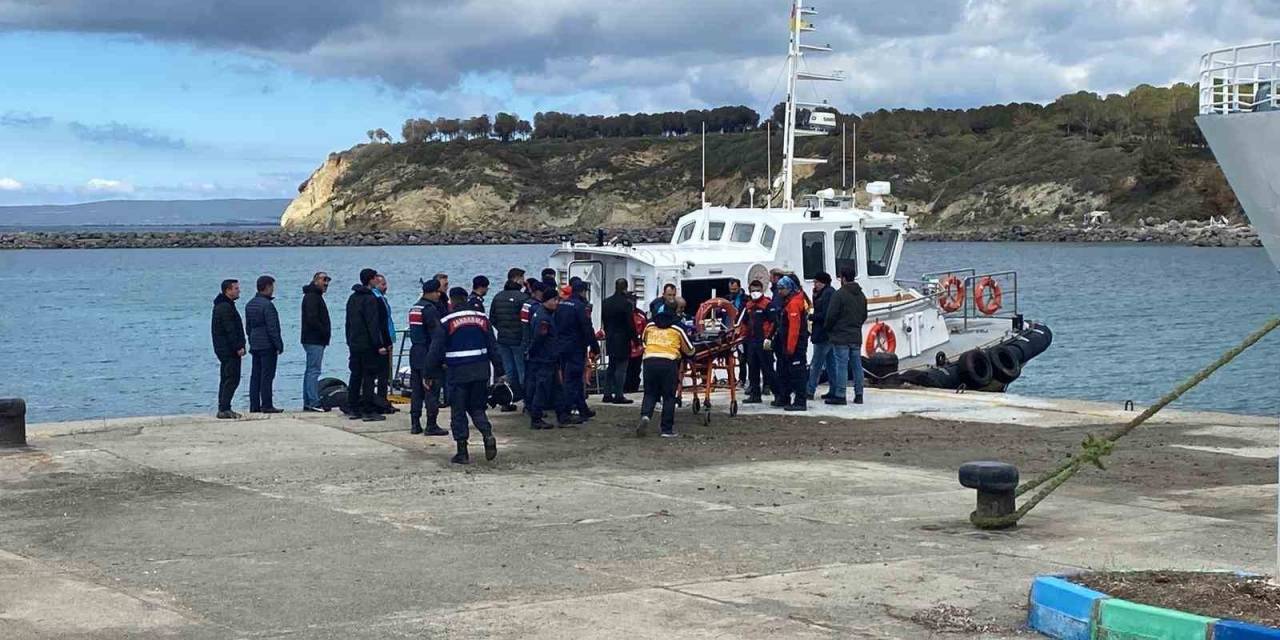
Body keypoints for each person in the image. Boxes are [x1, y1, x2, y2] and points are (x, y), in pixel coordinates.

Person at [426, 287, 505, 464]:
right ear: (466, 299)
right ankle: (487, 434)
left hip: (458, 373)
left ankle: (462, 451)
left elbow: (435, 350)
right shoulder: (482, 319)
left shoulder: (447, 321)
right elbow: (494, 347)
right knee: (477, 408)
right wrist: (500, 371)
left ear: (452, 302)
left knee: (459, 411)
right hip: (481, 372)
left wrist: (428, 373)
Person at [636, 311, 695, 437]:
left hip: (649, 361)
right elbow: (689, 350)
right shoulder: (677, 328)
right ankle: (666, 429)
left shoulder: (650, 326)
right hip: (669, 362)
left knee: (650, 393)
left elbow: (643, 340)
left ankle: (646, 415)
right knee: (668, 396)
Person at [345, 268, 389, 422]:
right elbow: (373, 324)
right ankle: (368, 409)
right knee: (369, 376)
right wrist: (379, 345)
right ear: (370, 280)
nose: (377, 280)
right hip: (368, 344)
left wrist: (349, 340)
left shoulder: (353, 298)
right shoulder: (370, 299)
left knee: (355, 375)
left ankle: (353, 406)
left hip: (355, 342)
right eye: (375, 278)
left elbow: (348, 323)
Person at [554, 279, 600, 425]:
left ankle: (582, 408)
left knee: (573, 379)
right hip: (575, 347)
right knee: (572, 380)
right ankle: (565, 413)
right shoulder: (580, 307)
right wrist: (594, 346)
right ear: (583, 292)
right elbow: (587, 327)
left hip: (562, 347)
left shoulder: (561, 305)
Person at [408, 279, 449, 435]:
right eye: (438, 292)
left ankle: (415, 423)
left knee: (417, 391)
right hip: (428, 353)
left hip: (415, 352)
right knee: (431, 390)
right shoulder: (430, 309)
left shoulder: (414, 308)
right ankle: (431, 425)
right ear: (431, 292)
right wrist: (441, 358)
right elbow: (437, 336)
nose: (440, 295)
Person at [824, 266, 869, 405]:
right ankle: (859, 394)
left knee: (841, 365)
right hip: (856, 335)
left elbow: (831, 316)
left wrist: (828, 329)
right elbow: (864, 315)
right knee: (857, 365)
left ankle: (840, 394)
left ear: (843, 278)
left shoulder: (839, 294)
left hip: (841, 336)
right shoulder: (861, 295)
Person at [489, 271, 529, 412]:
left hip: (503, 339)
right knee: (523, 371)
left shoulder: (498, 297)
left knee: (509, 372)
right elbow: (526, 320)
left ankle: (506, 400)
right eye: (522, 278)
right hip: (518, 340)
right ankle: (528, 402)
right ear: (517, 279)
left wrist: (501, 328)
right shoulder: (523, 298)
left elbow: (492, 318)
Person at [244, 275, 284, 413]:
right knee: (267, 376)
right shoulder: (268, 306)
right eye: (272, 286)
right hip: (267, 345)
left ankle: (254, 405)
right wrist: (279, 345)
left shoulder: (250, 304)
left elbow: (248, 327)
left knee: (255, 376)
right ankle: (267, 404)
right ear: (267, 287)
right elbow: (273, 328)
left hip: (255, 344)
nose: (273, 289)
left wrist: (251, 339)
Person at [525, 290, 561, 430]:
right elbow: (539, 339)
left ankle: (562, 414)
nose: (557, 303)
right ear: (547, 300)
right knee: (542, 388)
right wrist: (533, 353)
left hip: (548, 357)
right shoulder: (544, 318)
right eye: (554, 300)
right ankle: (536, 417)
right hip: (544, 358)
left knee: (555, 388)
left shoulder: (542, 313)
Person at [772, 276, 810, 411]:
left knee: (797, 373)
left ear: (789, 288)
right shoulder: (791, 301)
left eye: (782, 289)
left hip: (795, 345)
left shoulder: (793, 304)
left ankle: (800, 401)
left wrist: (790, 348)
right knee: (786, 371)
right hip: (789, 343)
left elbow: (794, 328)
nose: (779, 292)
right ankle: (786, 397)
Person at [211, 279, 246, 419]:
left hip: (224, 349)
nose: (238, 291)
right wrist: (238, 346)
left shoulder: (225, 305)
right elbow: (230, 329)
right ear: (228, 290)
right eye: (236, 288)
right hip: (228, 350)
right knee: (232, 378)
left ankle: (224, 406)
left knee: (226, 378)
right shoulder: (225, 307)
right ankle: (224, 407)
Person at [738, 280, 777, 404]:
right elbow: (744, 324)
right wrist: (742, 339)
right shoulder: (748, 306)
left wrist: (769, 338)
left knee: (768, 369)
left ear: (762, 290)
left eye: (757, 290)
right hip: (751, 341)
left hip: (764, 341)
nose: (755, 293)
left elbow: (774, 323)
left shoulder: (767, 304)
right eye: (753, 290)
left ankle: (779, 395)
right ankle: (755, 394)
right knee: (753, 369)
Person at [601, 278, 637, 404]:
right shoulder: (626, 304)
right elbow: (630, 324)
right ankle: (619, 394)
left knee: (611, 366)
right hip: (623, 339)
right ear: (625, 288)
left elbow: (604, 321)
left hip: (610, 337)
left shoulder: (606, 302)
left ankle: (606, 393)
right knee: (621, 368)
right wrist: (635, 340)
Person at [300, 271, 331, 412]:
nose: (326, 283)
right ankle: (313, 401)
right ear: (315, 280)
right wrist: (323, 331)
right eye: (324, 280)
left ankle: (308, 400)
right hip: (314, 339)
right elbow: (312, 319)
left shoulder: (314, 296)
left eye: (327, 280)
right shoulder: (312, 297)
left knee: (310, 370)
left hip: (313, 339)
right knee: (314, 370)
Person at [806, 272, 836, 400]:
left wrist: (811, 316)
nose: (815, 284)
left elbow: (825, 314)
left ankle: (810, 390)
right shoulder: (826, 293)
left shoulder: (826, 294)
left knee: (816, 364)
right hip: (828, 334)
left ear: (822, 282)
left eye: (816, 282)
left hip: (823, 333)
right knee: (831, 364)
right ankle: (834, 390)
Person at [371, 274, 396, 409]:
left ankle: (383, 398)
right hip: (383, 340)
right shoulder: (377, 299)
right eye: (383, 284)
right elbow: (381, 323)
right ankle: (381, 400)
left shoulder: (382, 299)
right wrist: (384, 342)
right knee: (383, 372)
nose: (386, 287)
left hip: (387, 337)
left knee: (385, 372)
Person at [725, 278, 748, 387]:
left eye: (734, 289)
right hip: (730, 330)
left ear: (739, 287)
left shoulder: (746, 299)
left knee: (743, 357)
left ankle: (743, 379)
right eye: (731, 289)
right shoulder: (727, 299)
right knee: (729, 356)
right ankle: (731, 378)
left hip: (742, 331)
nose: (733, 291)